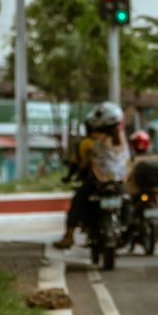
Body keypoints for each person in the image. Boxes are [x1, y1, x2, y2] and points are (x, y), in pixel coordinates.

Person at [53, 102, 127, 249]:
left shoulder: (91, 143)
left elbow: (81, 164)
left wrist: (74, 173)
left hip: (99, 183)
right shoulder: (121, 141)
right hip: (117, 184)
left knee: (78, 200)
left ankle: (69, 236)